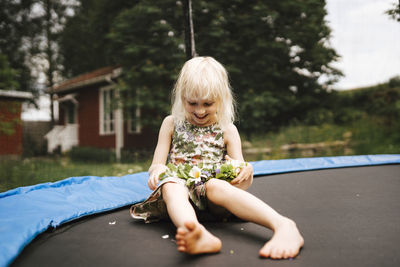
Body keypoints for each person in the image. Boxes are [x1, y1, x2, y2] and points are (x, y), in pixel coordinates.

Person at [131, 56, 304, 259]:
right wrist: (158, 170)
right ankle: (196, 232)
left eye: (208, 103)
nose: (200, 110)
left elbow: (239, 178)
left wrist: (245, 173)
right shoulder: (171, 124)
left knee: (216, 185)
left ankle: (283, 225)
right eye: (192, 103)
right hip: (181, 195)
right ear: (182, 97)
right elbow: (157, 164)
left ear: (222, 99)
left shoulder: (227, 130)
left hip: (214, 202)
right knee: (171, 185)